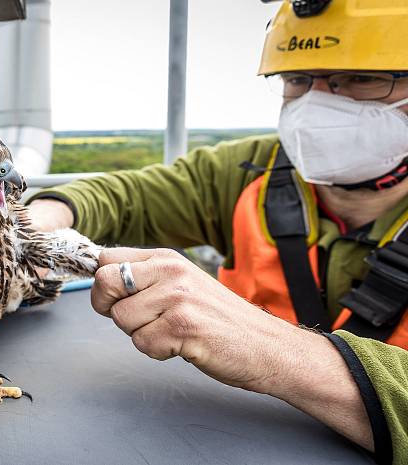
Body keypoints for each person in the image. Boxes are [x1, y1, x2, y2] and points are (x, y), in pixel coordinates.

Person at [27, 1, 408, 463]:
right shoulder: (252, 171)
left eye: (362, 79)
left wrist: (274, 352)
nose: (317, 103)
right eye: (297, 79)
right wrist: (34, 223)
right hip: (223, 437)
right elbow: (128, 196)